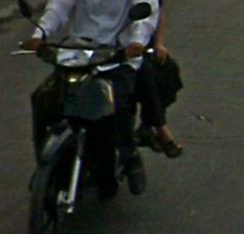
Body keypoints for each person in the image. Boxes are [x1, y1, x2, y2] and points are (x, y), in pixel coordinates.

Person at [23, 0, 159, 196]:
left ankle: (129, 155)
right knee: (43, 99)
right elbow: (58, 7)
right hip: (77, 55)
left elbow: (146, 12)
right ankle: (44, 165)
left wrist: (137, 41)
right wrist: (39, 34)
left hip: (115, 57)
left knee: (117, 103)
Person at [135, 0, 183, 158]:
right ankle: (161, 128)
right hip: (95, 47)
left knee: (167, 71)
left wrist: (159, 43)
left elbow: (157, 11)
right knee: (146, 74)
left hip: (135, 45)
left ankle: (148, 125)